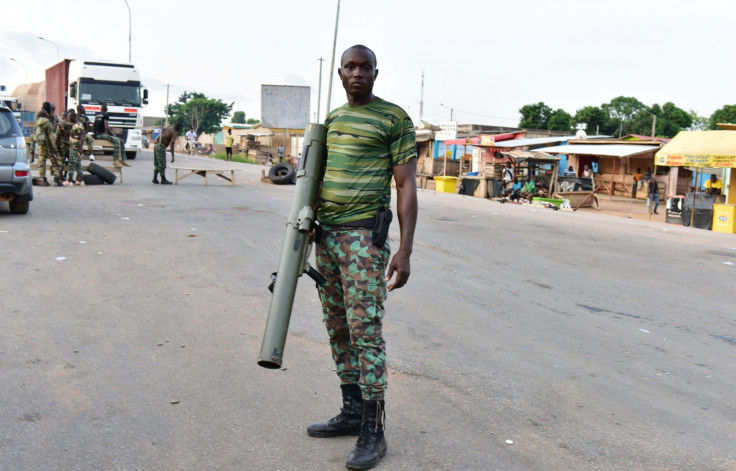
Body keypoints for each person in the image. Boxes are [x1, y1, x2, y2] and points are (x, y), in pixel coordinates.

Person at [307, 45, 417, 471]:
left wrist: (404, 250)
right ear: (340, 73)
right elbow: (314, 176)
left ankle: (374, 428)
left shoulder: (393, 118)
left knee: (364, 329)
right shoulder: (333, 120)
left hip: (362, 241)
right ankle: (351, 410)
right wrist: (310, 221)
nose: (357, 73)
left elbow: (406, 186)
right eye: (350, 67)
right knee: (337, 327)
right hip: (327, 238)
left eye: (364, 67)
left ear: (375, 73)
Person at [32, 109, 62, 186]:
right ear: (45, 115)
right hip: (49, 146)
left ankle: (43, 179)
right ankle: (57, 178)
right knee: (55, 162)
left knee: (41, 163)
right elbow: (51, 136)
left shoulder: (36, 124)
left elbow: (33, 136)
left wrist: (32, 151)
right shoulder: (47, 124)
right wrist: (54, 147)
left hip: (41, 146)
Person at [66, 109, 85, 185]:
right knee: (78, 164)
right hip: (74, 147)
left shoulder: (78, 125)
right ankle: (80, 181)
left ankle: (69, 181)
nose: (68, 118)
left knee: (72, 164)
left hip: (75, 147)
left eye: (69, 117)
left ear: (73, 117)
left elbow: (82, 136)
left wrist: (80, 147)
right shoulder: (74, 125)